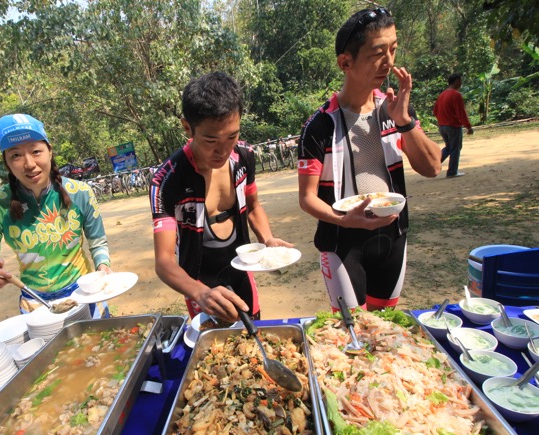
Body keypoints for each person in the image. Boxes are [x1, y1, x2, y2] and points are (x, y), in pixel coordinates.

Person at [297, 7, 441, 311]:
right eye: (378, 53)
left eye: (393, 49)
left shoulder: (394, 108)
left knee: (386, 328)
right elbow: (307, 198)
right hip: (342, 242)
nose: (389, 62)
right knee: (353, 334)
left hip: (393, 236)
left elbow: (432, 167)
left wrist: (404, 121)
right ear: (345, 62)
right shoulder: (320, 126)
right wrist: (342, 218)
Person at [150, 72, 292, 323]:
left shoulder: (244, 156)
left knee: (254, 327)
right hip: (198, 279)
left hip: (241, 266)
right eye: (211, 139)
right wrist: (200, 293)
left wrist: (267, 238)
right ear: (187, 127)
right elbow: (164, 262)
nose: (223, 150)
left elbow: (253, 206)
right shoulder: (167, 180)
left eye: (232, 136)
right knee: (217, 346)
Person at [0, 114, 112, 317]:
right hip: (35, 306)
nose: (29, 164)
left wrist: (103, 268)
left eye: (36, 151)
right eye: (16, 155)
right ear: (6, 162)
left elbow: (98, 244)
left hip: (85, 296)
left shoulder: (80, 192)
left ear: (50, 151)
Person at [433, 73, 473, 178]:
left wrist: (441, 120)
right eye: (460, 80)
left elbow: (435, 110)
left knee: (449, 147)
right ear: (456, 81)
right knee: (455, 148)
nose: (461, 83)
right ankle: (452, 172)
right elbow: (461, 112)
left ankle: (433, 164)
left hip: (442, 126)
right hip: (453, 126)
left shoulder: (442, 94)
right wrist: (468, 126)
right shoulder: (456, 94)